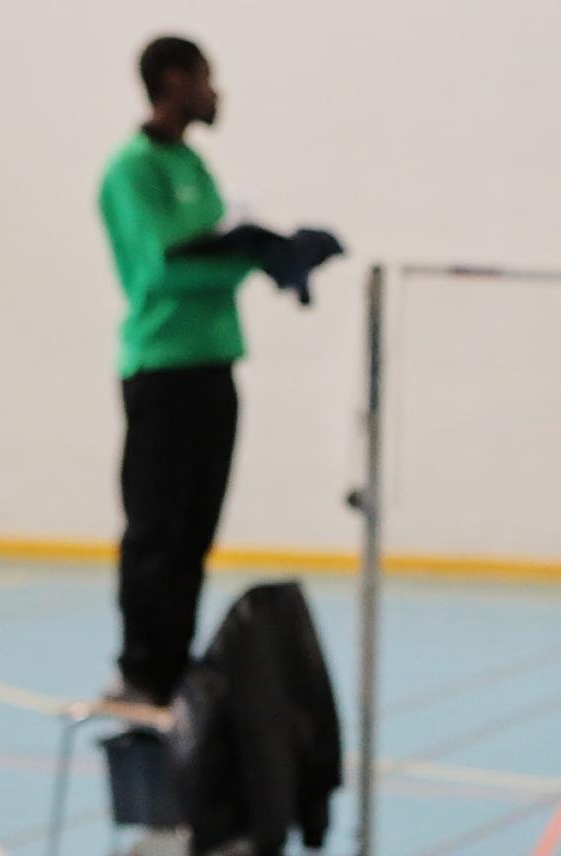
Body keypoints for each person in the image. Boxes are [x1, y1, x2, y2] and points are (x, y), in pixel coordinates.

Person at [97, 36, 336, 704]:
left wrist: (273, 254)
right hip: (162, 366)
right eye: (205, 78)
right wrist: (247, 254)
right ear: (173, 81)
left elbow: (215, 249)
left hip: (214, 366)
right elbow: (163, 268)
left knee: (195, 529)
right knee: (156, 527)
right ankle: (140, 669)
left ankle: (173, 667)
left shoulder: (194, 163)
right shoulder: (131, 169)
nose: (215, 92)